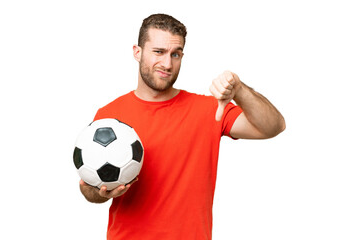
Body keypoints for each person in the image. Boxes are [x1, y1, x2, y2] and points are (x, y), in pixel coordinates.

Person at [79, 13, 285, 240]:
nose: (167, 64)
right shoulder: (109, 117)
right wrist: (102, 193)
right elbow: (89, 189)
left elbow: (273, 126)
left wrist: (240, 90)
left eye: (175, 54)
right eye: (158, 52)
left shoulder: (209, 110)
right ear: (137, 52)